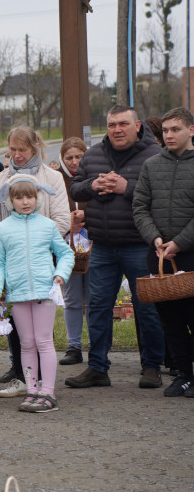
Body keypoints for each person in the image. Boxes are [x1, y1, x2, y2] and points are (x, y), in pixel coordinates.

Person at [66, 105, 165, 390]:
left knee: (146, 309)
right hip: (103, 246)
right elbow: (76, 188)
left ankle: (151, 367)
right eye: (111, 124)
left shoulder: (154, 154)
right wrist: (94, 185)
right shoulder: (93, 154)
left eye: (123, 124)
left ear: (137, 126)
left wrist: (127, 188)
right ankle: (97, 367)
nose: (117, 130)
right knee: (97, 308)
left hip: (139, 246)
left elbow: (161, 195)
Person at [0, 126, 69, 398]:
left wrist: (36, 237)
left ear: (35, 147)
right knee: (22, 336)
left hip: (42, 269)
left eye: (23, 150)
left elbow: (62, 221)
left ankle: (47, 388)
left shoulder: (52, 178)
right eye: (13, 150)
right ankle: (24, 381)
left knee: (42, 338)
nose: (18, 155)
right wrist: (5, 241)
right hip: (12, 265)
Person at [133, 107, 194, 398]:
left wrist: (181, 242)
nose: (168, 135)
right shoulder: (152, 165)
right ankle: (183, 374)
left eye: (175, 129)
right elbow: (140, 207)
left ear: (191, 130)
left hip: (190, 254)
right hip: (159, 256)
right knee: (171, 321)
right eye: (166, 130)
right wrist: (155, 237)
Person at [57, 137, 90, 366]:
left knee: (94, 299)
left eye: (79, 156)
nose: (74, 161)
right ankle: (74, 346)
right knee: (72, 298)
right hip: (66, 246)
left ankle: (98, 346)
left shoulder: (93, 176)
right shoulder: (57, 180)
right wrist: (69, 222)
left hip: (92, 243)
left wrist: (87, 218)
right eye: (69, 157)